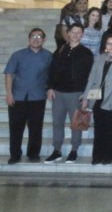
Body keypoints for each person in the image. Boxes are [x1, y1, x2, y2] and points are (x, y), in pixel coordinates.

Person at [45, 23, 94, 164]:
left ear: (82, 35)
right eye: (73, 32)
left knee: (77, 124)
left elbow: (90, 76)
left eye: (79, 32)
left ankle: (74, 150)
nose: (76, 35)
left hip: (77, 93)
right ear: (69, 33)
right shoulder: (60, 50)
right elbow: (51, 70)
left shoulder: (86, 53)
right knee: (57, 123)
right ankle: (57, 150)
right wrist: (50, 88)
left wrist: (86, 95)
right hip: (58, 93)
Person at [4, 28, 53, 164]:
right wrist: (9, 93)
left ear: (44, 40)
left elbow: (52, 76)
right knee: (15, 128)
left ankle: (33, 154)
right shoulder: (17, 55)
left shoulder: (49, 56)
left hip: (37, 97)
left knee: (36, 128)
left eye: (39, 37)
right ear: (28, 38)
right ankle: (15, 155)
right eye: (33, 36)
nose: (36, 39)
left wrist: (50, 89)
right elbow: (9, 74)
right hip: (17, 97)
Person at [81, 34, 112, 165]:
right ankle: (97, 155)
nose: (111, 46)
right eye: (108, 43)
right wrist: (86, 97)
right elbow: (91, 78)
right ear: (105, 46)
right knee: (99, 128)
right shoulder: (99, 58)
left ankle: (108, 156)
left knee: (110, 128)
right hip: (97, 96)